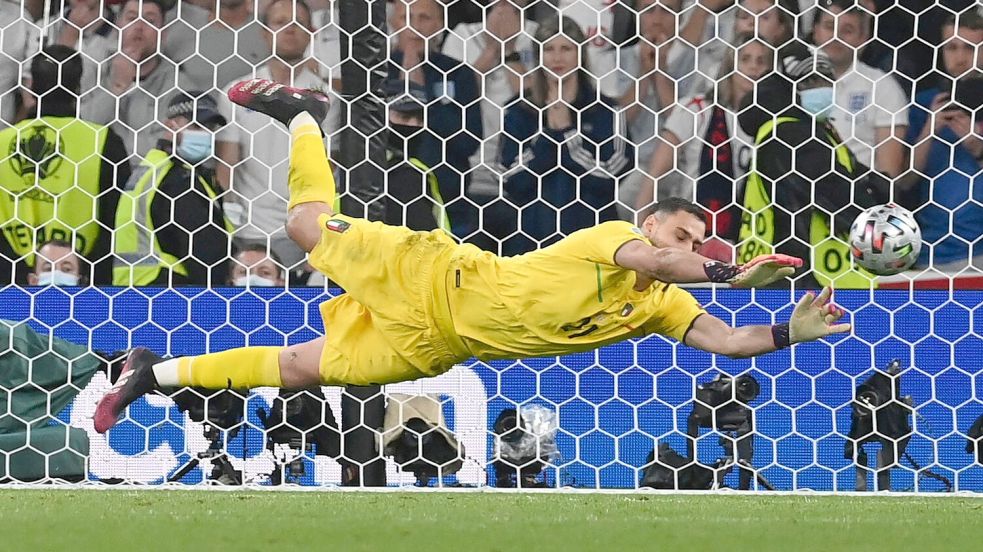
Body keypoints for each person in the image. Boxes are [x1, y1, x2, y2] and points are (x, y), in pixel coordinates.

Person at [92, 78, 851, 434]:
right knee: (302, 225)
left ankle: (145, 374)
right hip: (435, 272)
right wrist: (722, 269)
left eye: (697, 238)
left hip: (436, 341)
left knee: (300, 367)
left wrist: (790, 333)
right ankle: (301, 118)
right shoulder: (609, 244)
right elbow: (657, 263)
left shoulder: (660, 308)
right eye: (678, 232)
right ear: (649, 224)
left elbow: (726, 340)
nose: (684, 245)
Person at [735, 45, 886, 288]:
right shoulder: (789, 134)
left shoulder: (816, 131)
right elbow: (834, 192)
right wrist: (883, 222)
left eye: (827, 80)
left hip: (785, 275)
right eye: (810, 82)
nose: (822, 89)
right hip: (796, 279)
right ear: (790, 88)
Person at [214, 0, 334, 272]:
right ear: (265, 32)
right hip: (250, 227)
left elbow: (332, 163)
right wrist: (229, 220)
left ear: (312, 32)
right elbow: (226, 165)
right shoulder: (239, 92)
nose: (290, 29)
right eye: (280, 22)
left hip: (307, 229)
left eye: (298, 23)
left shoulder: (327, 98)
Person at [497, 16, 632, 256]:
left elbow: (610, 176)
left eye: (566, 48)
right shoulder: (518, 110)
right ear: (538, 57)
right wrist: (549, 136)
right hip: (530, 240)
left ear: (580, 54)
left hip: (592, 240)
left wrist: (569, 135)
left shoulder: (606, 110)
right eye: (549, 49)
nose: (557, 58)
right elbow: (509, 178)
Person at [0, 45, 129, 286]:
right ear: (78, 88)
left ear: (31, 87)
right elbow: (116, 220)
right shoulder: (103, 142)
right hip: (84, 280)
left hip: (8, 282)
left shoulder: (3, 142)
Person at [634, 36, 773, 253]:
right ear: (730, 64)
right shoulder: (696, 109)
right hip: (690, 236)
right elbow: (655, 173)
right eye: (745, 59)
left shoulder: (773, 123)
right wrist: (641, 235)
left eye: (761, 60)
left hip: (747, 240)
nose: (753, 67)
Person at [112, 92, 232, 287]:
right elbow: (205, 254)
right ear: (170, 126)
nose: (205, 134)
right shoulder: (176, 180)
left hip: (140, 289)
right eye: (196, 126)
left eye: (209, 128)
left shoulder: (152, 169)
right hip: (169, 294)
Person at [389, 0, 482, 240]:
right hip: (388, 204)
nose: (415, 26)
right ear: (392, 23)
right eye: (406, 18)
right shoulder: (375, 73)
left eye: (424, 18)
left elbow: (468, 141)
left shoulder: (458, 73)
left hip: (450, 204)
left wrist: (422, 93)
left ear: (440, 24)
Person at [82, 0, 203, 159]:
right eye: (132, 19)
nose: (139, 27)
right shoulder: (94, 71)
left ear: (163, 33)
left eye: (149, 21)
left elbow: (167, 145)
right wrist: (116, 88)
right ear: (118, 26)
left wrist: (109, 148)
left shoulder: (179, 87)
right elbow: (81, 129)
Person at [810, 0, 909, 179]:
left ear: (864, 38)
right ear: (815, 31)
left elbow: (889, 176)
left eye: (847, 30)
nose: (836, 36)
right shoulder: (790, 80)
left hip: (858, 199)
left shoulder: (882, 88)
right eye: (829, 26)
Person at [904, 77, 983, 273]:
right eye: (952, 48)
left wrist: (979, 150)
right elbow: (903, 182)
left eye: (969, 48)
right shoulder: (924, 104)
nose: (961, 57)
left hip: (978, 253)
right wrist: (929, 130)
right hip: (929, 254)